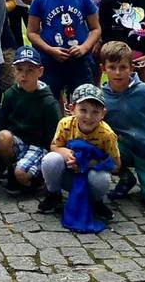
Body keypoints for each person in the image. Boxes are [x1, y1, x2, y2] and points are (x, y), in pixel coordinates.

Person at [100, 40, 145, 209]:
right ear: (103, 69)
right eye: (112, 67)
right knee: (95, 145)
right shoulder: (101, 98)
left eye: (123, 67)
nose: (118, 73)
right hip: (122, 148)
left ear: (132, 68)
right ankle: (125, 176)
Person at [26, 0, 101, 104]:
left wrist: (84, 48)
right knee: (49, 101)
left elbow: (95, 28)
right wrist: (50, 50)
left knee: (84, 101)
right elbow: (32, 33)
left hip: (79, 60)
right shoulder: (40, 0)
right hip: (50, 60)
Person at [37, 83, 119, 221]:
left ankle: (96, 201)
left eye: (95, 112)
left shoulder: (107, 135)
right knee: (50, 159)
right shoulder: (65, 124)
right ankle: (53, 194)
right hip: (68, 173)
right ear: (72, 109)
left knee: (102, 178)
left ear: (103, 113)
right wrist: (65, 152)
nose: (88, 116)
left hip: (90, 176)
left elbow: (116, 165)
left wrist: (87, 163)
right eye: (83, 110)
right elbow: (54, 146)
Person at [0, 47, 62, 194]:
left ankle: (36, 179)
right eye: (20, 69)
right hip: (18, 141)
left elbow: (56, 135)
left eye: (30, 70)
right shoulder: (10, 94)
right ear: (14, 71)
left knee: (22, 173)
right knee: (3, 136)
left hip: (38, 146)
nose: (24, 75)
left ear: (40, 72)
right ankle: (11, 168)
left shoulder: (48, 102)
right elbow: (1, 124)